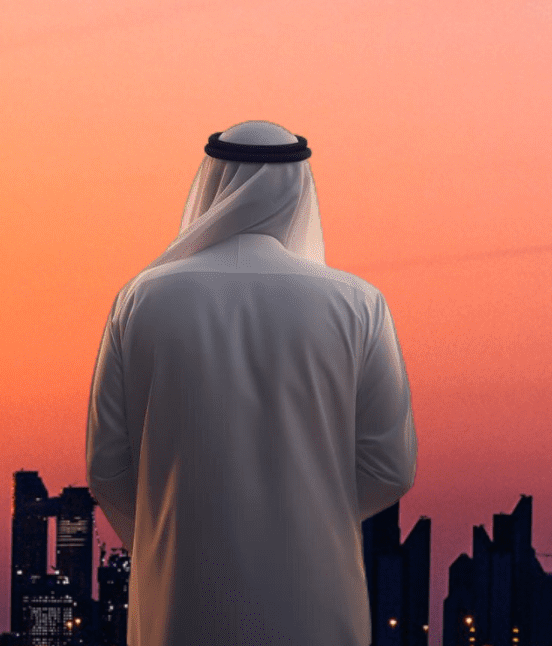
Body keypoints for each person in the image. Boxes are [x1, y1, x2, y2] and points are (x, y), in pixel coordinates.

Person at [85, 120, 415, 645]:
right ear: (301, 187)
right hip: (316, 602)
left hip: (180, 599)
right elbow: (390, 468)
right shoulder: (358, 304)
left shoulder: (141, 299)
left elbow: (106, 468)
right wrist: (306, 514)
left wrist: (165, 537)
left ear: (213, 181)